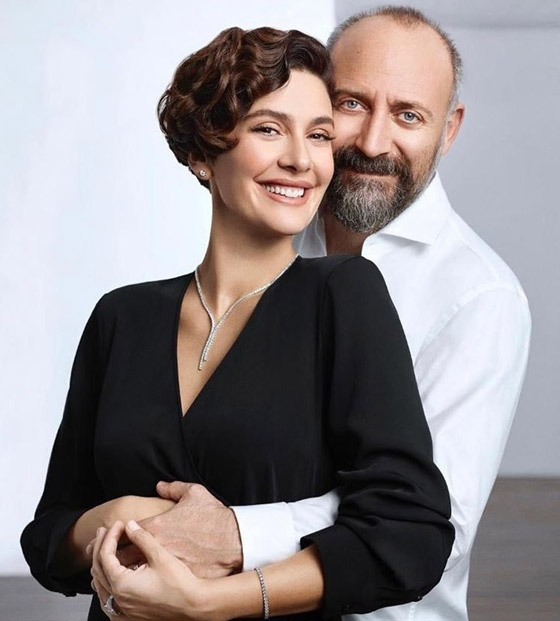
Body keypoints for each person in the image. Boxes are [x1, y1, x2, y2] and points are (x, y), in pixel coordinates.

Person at [108, 7, 531, 621]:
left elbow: (429, 525)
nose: (372, 142)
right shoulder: (273, 226)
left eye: (408, 115)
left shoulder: (480, 296)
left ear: (449, 131)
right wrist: (132, 526)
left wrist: (229, 536)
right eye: (351, 104)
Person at [21, 25, 454, 621]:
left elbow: (411, 533)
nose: (300, 159)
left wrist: (208, 602)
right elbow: (47, 539)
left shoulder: (344, 294)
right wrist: (117, 516)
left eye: (319, 134)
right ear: (203, 152)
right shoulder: (120, 317)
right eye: (269, 129)